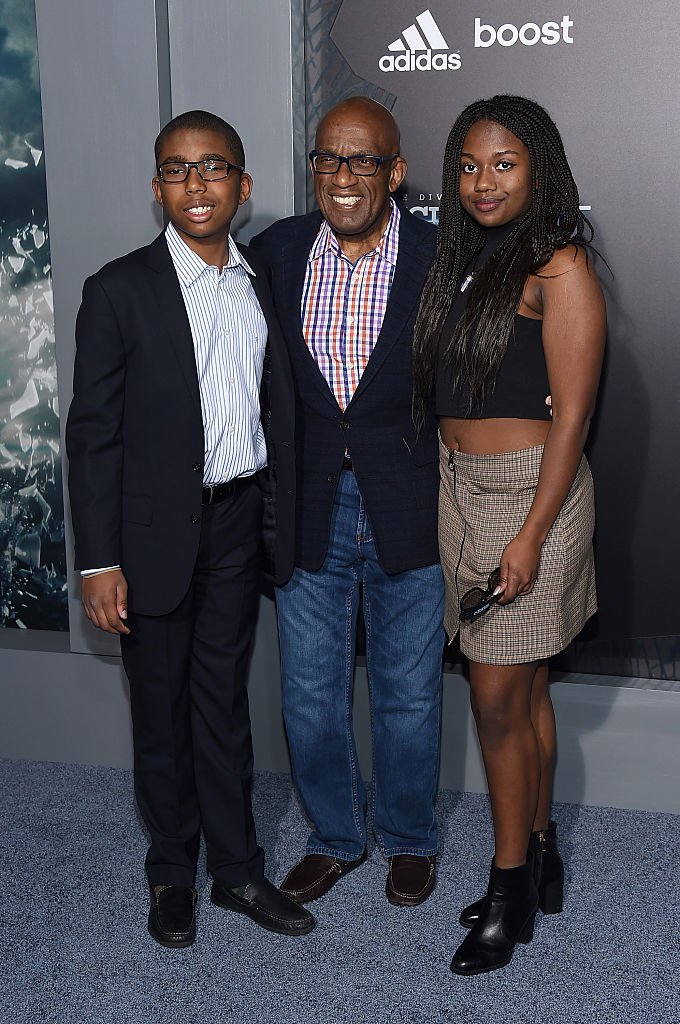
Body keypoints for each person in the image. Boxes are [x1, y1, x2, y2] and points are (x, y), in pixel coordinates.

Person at [65, 110, 314, 947]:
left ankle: (238, 871)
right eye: (177, 169)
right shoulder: (118, 289)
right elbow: (92, 435)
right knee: (161, 714)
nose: (195, 184)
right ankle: (172, 872)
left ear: (242, 188)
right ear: (156, 188)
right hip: (151, 539)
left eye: (213, 169)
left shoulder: (261, 284)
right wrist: (98, 562)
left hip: (239, 523)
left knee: (223, 707)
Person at [412, 95, 606, 974]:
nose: (482, 182)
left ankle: (509, 888)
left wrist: (529, 534)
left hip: (531, 497)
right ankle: (544, 856)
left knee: (493, 704)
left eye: (504, 164)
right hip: (460, 490)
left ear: (540, 170)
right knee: (523, 696)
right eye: (468, 166)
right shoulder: (462, 259)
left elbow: (572, 421)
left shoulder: (558, 266)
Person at [250, 97, 445, 908]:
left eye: (363, 161)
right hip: (308, 508)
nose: (342, 176)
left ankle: (407, 839)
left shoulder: (442, 257)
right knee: (310, 691)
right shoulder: (276, 251)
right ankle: (336, 838)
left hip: (414, 506)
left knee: (408, 690)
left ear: (396, 173)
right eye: (328, 159)